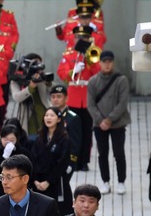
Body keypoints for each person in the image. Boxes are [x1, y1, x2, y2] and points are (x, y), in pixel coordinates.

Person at [57, 25, 101, 171]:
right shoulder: (69, 55)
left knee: (87, 131)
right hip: (73, 97)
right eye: (78, 37)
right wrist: (73, 71)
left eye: (84, 37)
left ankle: (84, 161)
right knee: (72, 131)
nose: (81, 39)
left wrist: (89, 63)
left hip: (88, 96)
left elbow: (99, 73)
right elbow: (62, 74)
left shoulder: (93, 54)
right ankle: (72, 159)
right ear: (74, 38)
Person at [87, 50, 131, 195]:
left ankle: (121, 181)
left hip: (117, 123)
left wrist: (109, 119)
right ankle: (105, 181)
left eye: (109, 61)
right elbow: (90, 104)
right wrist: (100, 120)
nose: (107, 64)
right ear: (100, 63)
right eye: (104, 62)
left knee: (119, 153)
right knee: (102, 153)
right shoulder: (93, 81)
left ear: (113, 62)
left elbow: (122, 103)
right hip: (99, 125)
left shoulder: (121, 80)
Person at [31, 108, 73, 215]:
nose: (48, 118)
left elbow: (62, 162)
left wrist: (49, 181)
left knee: (58, 213)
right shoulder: (39, 138)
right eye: (46, 115)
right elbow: (33, 159)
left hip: (56, 182)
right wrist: (35, 180)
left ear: (59, 119)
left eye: (52, 115)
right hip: (38, 183)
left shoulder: (64, 138)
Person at [10, 53, 51, 137]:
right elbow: (17, 97)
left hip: (45, 118)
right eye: (35, 64)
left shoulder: (41, 77)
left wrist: (46, 81)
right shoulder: (17, 79)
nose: (38, 67)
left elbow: (53, 91)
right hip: (28, 122)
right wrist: (30, 87)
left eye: (40, 64)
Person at [0, 124, 34, 197]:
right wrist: (5, 156)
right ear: (1, 138)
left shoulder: (24, 152)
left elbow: (30, 170)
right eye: (5, 139)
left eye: (12, 140)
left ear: (17, 139)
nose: (8, 142)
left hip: (20, 190)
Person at [50, 84, 81, 173]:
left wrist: (71, 163)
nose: (55, 99)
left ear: (66, 98)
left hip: (64, 161)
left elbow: (75, 144)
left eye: (59, 96)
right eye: (53, 97)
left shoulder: (73, 118)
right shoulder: (48, 115)